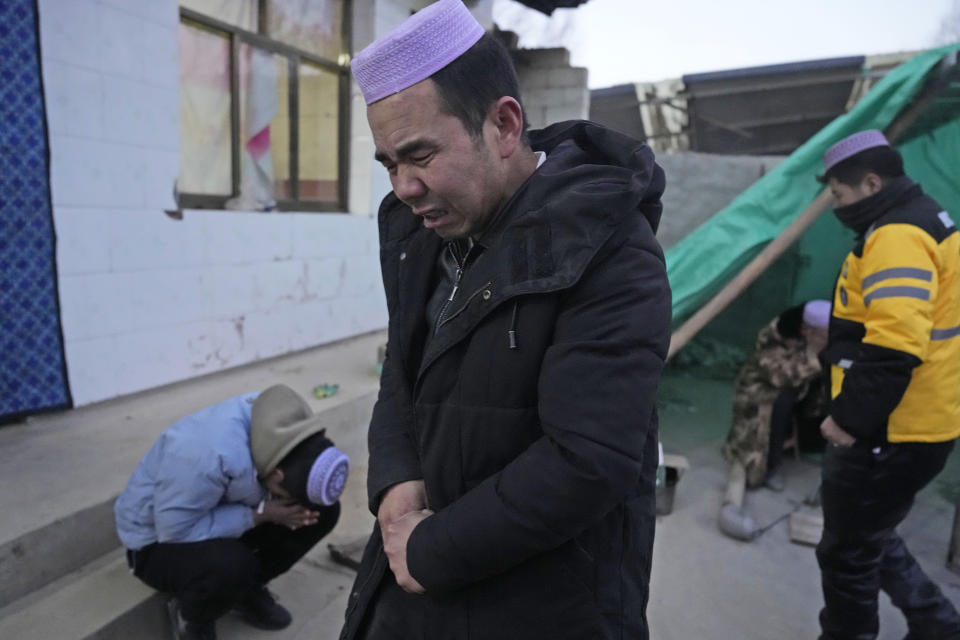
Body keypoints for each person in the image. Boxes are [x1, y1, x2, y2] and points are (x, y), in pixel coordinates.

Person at [340, 2, 671, 639]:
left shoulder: (611, 251)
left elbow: (587, 459)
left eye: (419, 155)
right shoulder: (424, 233)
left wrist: (431, 549)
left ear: (504, 124)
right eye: (388, 163)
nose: (404, 187)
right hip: (422, 584)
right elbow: (402, 373)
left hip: (543, 606)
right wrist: (396, 480)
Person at [815, 129, 960, 640]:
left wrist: (848, 419)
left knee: (846, 556)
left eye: (839, 195)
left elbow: (897, 343)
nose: (837, 205)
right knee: (870, 536)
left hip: (893, 427)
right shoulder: (931, 218)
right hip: (925, 418)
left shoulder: (898, 234)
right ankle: (938, 624)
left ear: (871, 183)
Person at [114, 384, 348, 640]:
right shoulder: (204, 456)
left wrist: (269, 509)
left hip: (218, 512)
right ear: (277, 475)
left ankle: (245, 590)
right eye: (283, 493)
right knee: (233, 565)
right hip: (157, 542)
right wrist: (261, 514)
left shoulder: (284, 428)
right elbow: (176, 531)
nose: (282, 499)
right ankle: (193, 618)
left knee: (321, 512)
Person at [722, 300, 829, 493]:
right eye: (824, 335)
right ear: (806, 331)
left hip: (798, 388)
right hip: (762, 392)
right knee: (781, 403)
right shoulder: (773, 338)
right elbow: (780, 377)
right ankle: (771, 465)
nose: (828, 339)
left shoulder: (818, 336)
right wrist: (814, 357)